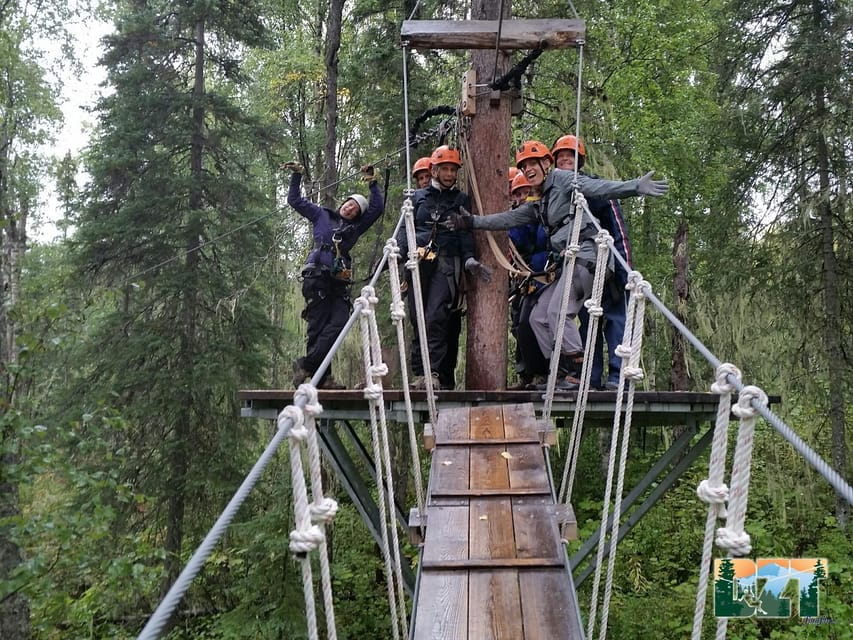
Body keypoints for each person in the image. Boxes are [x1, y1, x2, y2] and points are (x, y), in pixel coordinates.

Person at [446, 139, 667, 390]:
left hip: (588, 258)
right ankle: (561, 372)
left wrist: (635, 186)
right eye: (524, 166)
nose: (528, 170)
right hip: (571, 265)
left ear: (546, 164)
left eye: (533, 164)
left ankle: (579, 371)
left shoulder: (563, 180)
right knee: (539, 317)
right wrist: (473, 222)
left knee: (560, 313)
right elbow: (510, 218)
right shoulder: (541, 202)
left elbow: (597, 188)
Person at [397, 145, 491, 390]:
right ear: (434, 170)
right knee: (418, 319)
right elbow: (404, 230)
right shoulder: (417, 198)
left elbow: (465, 231)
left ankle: (434, 373)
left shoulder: (460, 199)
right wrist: (398, 252)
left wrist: (469, 257)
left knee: (435, 315)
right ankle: (420, 373)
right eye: (445, 169)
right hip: (417, 262)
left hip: (446, 263)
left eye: (452, 170)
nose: (449, 174)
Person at [285, 161, 384, 389]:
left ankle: (307, 364)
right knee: (317, 328)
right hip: (317, 277)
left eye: (355, 210)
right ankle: (323, 379)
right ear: (343, 203)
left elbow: (377, 208)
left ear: (357, 216)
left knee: (339, 323)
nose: (350, 209)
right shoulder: (321, 215)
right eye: (349, 204)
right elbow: (295, 201)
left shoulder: (355, 228)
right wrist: (297, 175)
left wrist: (372, 182)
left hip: (338, 282)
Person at [552, 134, 632, 390]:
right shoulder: (560, 197)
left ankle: (618, 377)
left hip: (608, 264)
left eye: (570, 157)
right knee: (589, 322)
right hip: (583, 267)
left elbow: (618, 228)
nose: (565, 160)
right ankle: (591, 376)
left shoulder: (595, 188)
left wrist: (626, 270)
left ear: (579, 161)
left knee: (616, 320)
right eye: (560, 157)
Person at [507, 172, 551, 389]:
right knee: (520, 324)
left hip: (542, 273)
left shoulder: (543, 214)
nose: (523, 196)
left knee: (532, 322)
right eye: (519, 193)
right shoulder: (520, 217)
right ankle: (527, 373)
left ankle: (543, 372)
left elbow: (538, 240)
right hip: (524, 277)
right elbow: (518, 240)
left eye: (527, 192)